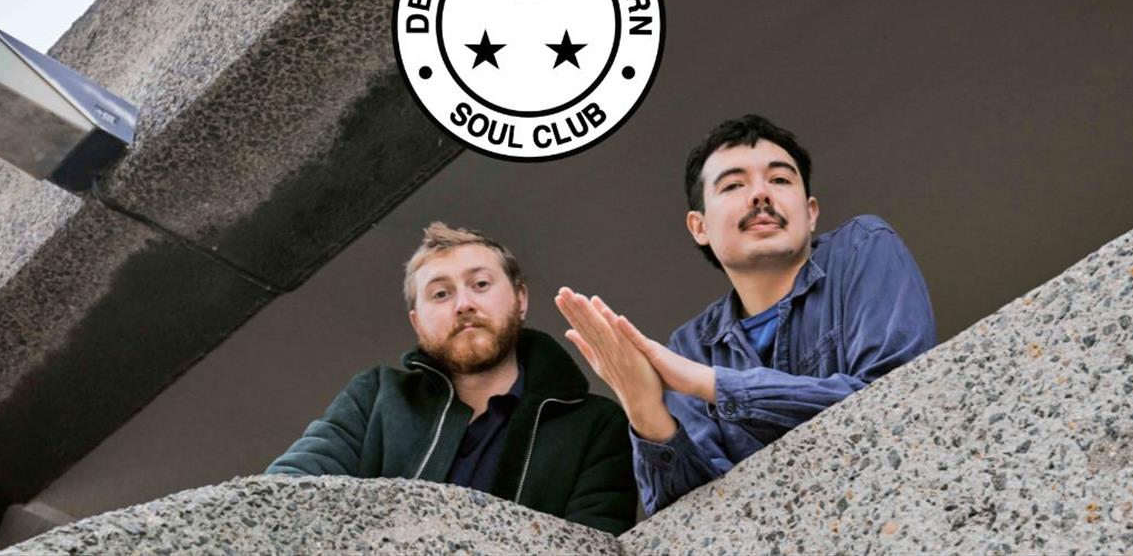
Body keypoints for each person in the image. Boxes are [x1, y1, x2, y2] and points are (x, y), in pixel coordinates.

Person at [556, 114, 936, 515]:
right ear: (699, 227)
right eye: (734, 185)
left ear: (810, 212)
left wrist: (710, 383)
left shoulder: (860, 249)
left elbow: (899, 401)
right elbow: (692, 519)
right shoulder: (690, 347)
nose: (760, 195)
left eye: (780, 179)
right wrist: (644, 408)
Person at [267, 222, 636, 534]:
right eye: (441, 294)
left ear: (520, 298)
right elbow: (285, 491)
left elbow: (597, 541)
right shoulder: (376, 397)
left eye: (481, 284)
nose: (463, 305)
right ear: (417, 323)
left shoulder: (596, 425)